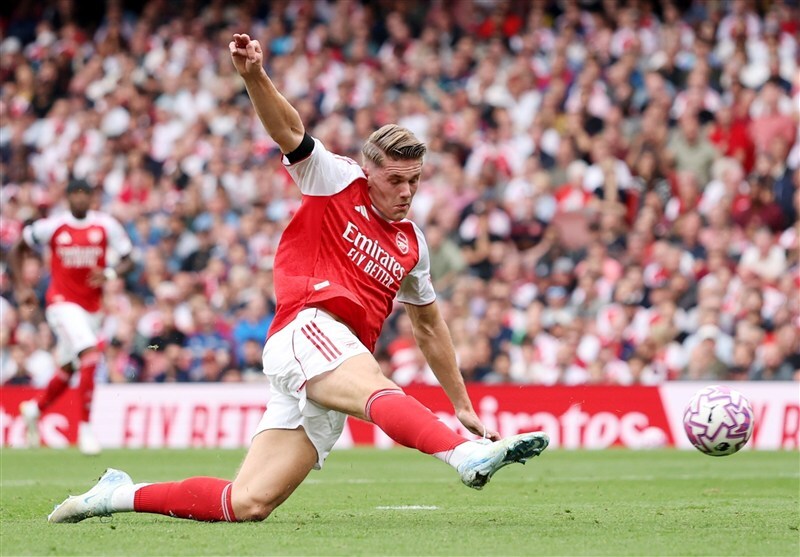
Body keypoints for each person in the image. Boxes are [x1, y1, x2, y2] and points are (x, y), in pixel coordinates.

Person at [47, 33, 548, 524]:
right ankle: (463, 455)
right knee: (376, 385)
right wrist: (254, 76)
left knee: (246, 503)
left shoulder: (413, 243)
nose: (406, 191)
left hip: (336, 359)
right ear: (369, 171)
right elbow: (289, 130)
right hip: (307, 328)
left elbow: (430, 327)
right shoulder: (337, 179)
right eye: (395, 179)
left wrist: (462, 403)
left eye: (414, 181)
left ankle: (116, 494)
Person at [10, 178, 134, 455]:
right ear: (67, 197)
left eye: (84, 193)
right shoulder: (53, 226)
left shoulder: (106, 225)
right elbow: (17, 249)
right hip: (61, 304)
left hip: (92, 309)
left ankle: (34, 408)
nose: (80, 198)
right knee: (90, 353)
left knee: (70, 366)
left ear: (91, 197)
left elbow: (129, 258)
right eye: (75, 193)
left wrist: (110, 273)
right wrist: (22, 287)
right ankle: (85, 430)